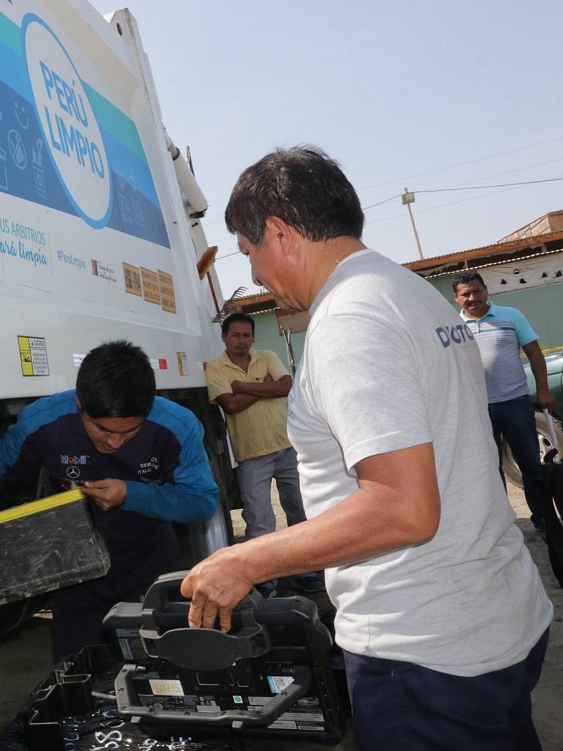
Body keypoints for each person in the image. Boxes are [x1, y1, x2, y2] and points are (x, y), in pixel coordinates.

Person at [180, 146, 552, 750]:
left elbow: (403, 507)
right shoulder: (409, 292)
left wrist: (247, 561)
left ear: (280, 231)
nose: (253, 275)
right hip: (490, 616)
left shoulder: (350, 319)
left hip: (425, 648)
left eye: (250, 252)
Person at [0, 340, 218, 661]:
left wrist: (131, 494)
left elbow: (201, 501)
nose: (114, 442)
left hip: (150, 567)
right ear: (80, 403)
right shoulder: (44, 421)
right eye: (103, 430)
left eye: (129, 432)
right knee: (78, 668)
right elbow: (3, 460)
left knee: (161, 671)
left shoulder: (177, 425)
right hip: (76, 570)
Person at [206, 312, 323, 597]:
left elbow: (285, 386)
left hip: (286, 446)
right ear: (224, 337)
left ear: (253, 337)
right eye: (235, 335)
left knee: (299, 511)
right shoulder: (216, 368)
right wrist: (266, 388)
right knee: (259, 519)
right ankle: (266, 580)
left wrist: (244, 386)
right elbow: (230, 405)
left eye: (246, 335)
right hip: (252, 455)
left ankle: (305, 572)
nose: (241, 341)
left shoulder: (267, 355)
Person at [452, 272, 558, 529]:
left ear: (486, 290)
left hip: (516, 402)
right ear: (456, 298)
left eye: (476, 291)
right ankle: (503, 523)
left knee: (531, 464)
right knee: (489, 467)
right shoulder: (453, 327)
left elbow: (534, 354)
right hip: (478, 407)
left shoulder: (511, 316)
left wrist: (543, 390)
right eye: (465, 294)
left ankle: (543, 518)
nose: (472, 297)